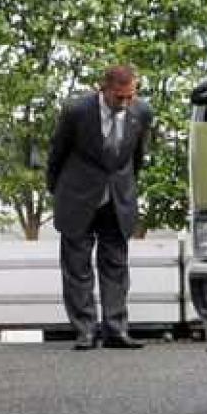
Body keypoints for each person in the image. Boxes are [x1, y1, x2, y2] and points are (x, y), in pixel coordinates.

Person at [46, 65, 153, 350]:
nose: (125, 103)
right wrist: (57, 192)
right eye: (119, 97)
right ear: (102, 89)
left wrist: (125, 190)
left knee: (116, 265)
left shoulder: (142, 113)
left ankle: (116, 330)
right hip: (78, 197)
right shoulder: (76, 111)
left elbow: (137, 158)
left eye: (130, 96)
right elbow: (57, 154)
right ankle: (85, 331)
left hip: (117, 199)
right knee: (77, 267)